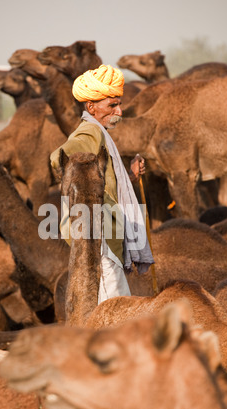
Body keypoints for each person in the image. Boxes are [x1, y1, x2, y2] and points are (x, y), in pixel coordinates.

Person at [50, 64, 154, 303]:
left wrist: (129, 177)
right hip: (100, 238)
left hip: (106, 235)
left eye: (118, 104)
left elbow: (104, 183)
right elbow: (58, 158)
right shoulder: (89, 133)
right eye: (112, 105)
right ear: (91, 107)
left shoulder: (99, 133)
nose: (119, 111)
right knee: (114, 310)